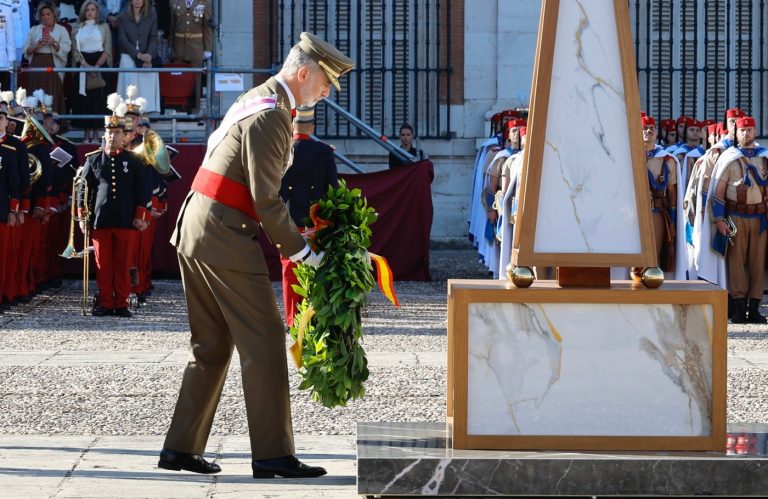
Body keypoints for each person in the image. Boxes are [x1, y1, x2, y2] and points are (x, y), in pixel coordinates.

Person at [159, 31, 353, 479]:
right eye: (325, 83)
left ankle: (180, 449)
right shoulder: (271, 116)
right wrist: (304, 252)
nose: (326, 93)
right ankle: (272, 455)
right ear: (303, 73)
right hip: (224, 232)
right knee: (264, 343)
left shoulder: (260, 101)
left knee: (211, 346)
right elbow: (267, 200)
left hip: (201, 227)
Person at [77, 93, 149, 317]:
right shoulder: (94, 159)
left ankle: (122, 303)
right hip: (101, 219)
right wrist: (81, 215)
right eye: (109, 132)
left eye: (116, 133)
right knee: (103, 264)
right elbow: (82, 188)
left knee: (123, 263)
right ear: (104, 134)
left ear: (125, 136)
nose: (112, 137)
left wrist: (140, 215)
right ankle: (106, 302)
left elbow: (143, 190)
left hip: (127, 219)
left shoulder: (134, 160)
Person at [279, 104, 338, 327]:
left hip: (289, 222)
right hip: (316, 222)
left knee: (290, 271)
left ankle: (293, 320)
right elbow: (333, 188)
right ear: (312, 126)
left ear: (292, 126)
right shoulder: (323, 152)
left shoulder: (284, 150)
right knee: (317, 270)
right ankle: (316, 317)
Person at [708, 116, 768, 324]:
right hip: (734, 217)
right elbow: (718, 192)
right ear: (736, 133)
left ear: (755, 132)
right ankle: (739, 308)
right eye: (743, 131)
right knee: (735, 262)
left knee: (758, 263)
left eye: (750, 130)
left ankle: (755, 308)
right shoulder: (729, 157)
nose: (746, 134)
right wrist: (718, 220)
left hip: (760, 217)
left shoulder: (764, 158)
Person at [70, 0, 112, 143]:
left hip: (100, 63)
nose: (89, 12)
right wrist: (85, 64)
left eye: (93, 9)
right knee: (84, 102)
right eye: (87, 9)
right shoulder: (76, 27)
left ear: (97, 11)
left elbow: (107, 48)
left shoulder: (104, 26)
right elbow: (75, 50)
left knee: (98, 102)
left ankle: (96, 136)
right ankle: (86, 136)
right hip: (83, 65)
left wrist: (97, 65)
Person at [22, 2, 71, 114]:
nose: (45, 17)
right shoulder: (34, 29)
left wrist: (53, 42)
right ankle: (36, 126)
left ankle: (53, 126)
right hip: (36, 66)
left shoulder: (61, 30)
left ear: (54, 15)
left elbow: (66, 48)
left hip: (53, 66)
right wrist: (36, 46)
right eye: (43, 15)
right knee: (36, 94)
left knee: (52, 94)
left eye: (48, 14)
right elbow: (26, 49)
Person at [116, 0, 159, 112]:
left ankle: (144, 122)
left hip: (148, 58)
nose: (137, 1)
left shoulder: (152, 14)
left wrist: (148, 55)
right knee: (130, 95)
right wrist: (138, 55)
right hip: (128, 58)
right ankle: (129, 121)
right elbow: (122, 40)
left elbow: (154, 37)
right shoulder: (122, 16)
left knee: (146, 93)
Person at [169, 0, 212, 112]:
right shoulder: (174, 2)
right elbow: (171, 26)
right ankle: (177, 108)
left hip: (196, 46)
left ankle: (196, 108)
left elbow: (207, 27)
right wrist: (169, 46)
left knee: (197, 79)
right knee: (177, 77)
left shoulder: (204, 3)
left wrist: (207, 49)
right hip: (178, 46)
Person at [0, 99, 20, 313]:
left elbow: (15, 184)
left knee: (2, 258)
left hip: (1, 211)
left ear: (7, 122)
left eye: (1, 118)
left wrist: (14, 210)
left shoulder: (8, 150)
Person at [0, 2, 15, 90]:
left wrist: (11, 62)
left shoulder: (5, 10)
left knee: (4, 98)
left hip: (2, 62)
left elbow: (10, 39)